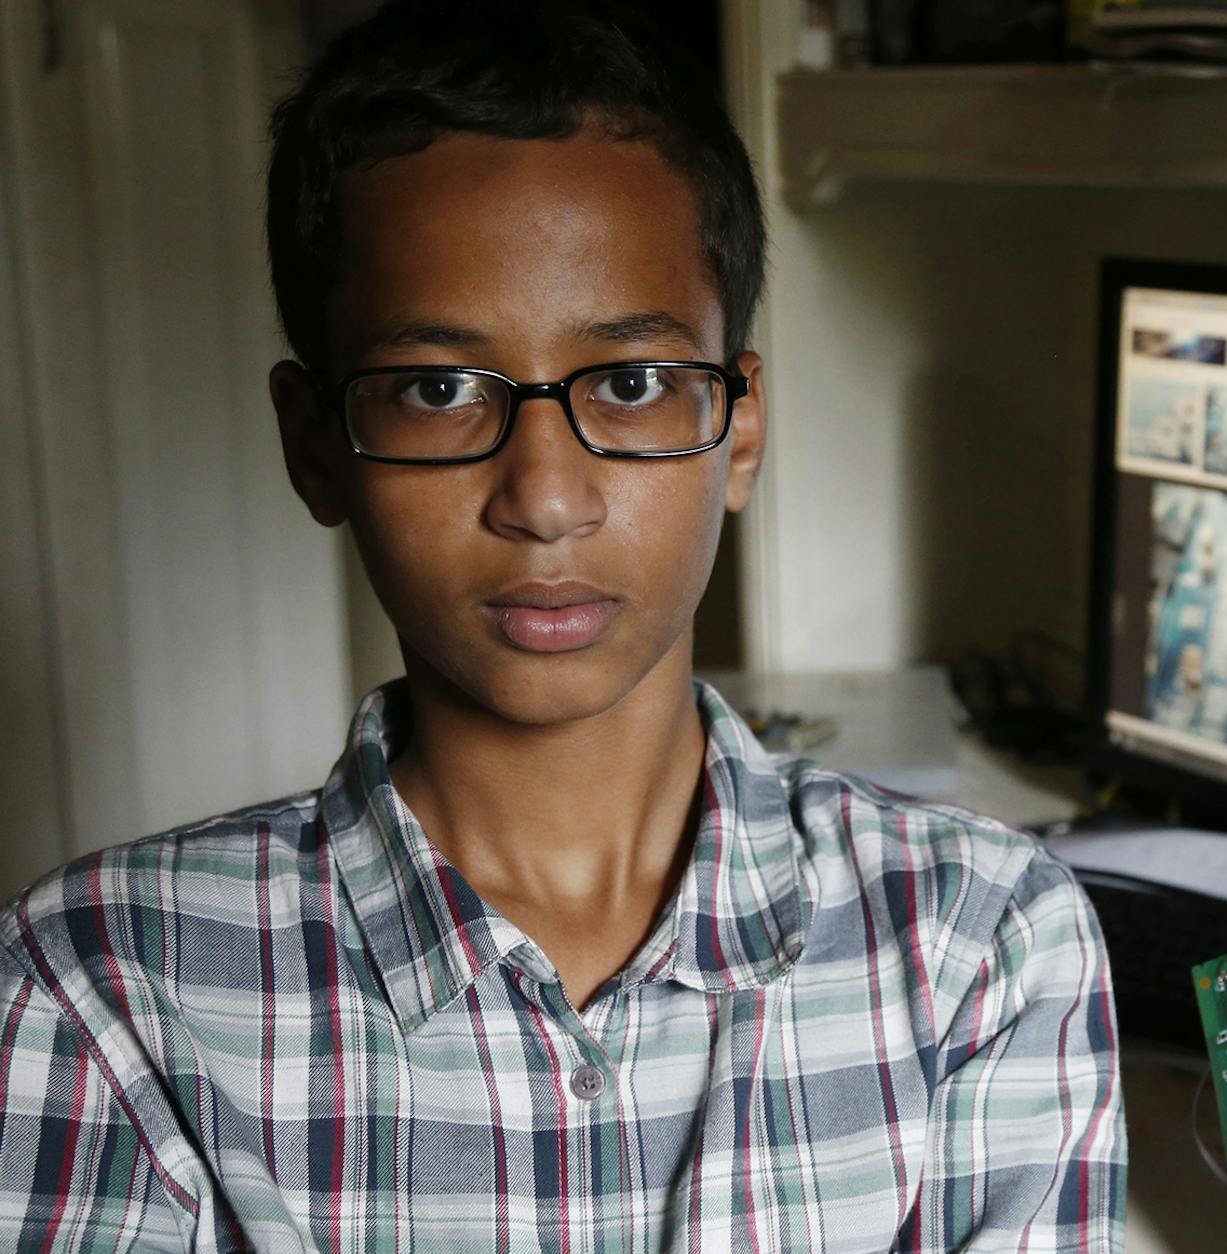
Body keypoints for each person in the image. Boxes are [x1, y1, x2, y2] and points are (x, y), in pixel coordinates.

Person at [0, 3, 1124, 1248]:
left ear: (739, 428)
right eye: (436, 390)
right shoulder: (107, 987)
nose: (545, 498)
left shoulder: (983, 938)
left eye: (633, 384)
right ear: (315, 445)